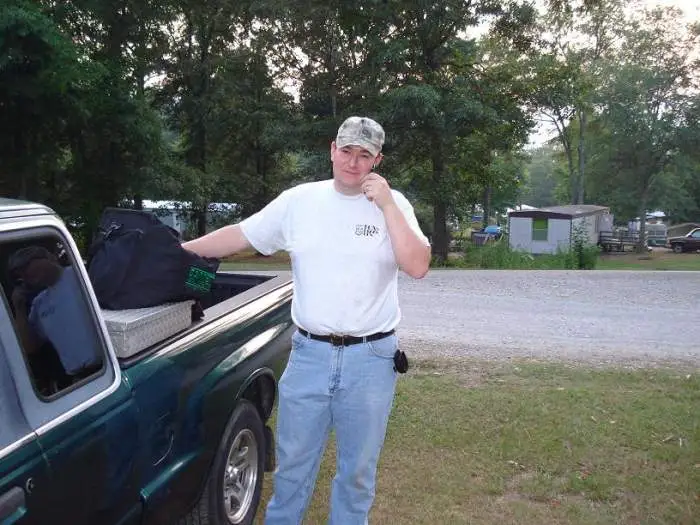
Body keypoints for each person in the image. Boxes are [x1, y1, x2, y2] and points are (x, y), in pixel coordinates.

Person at [182, 116, 431, 524]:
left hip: (370, 360)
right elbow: (242, 236)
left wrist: (386, 204)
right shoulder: (299, 201)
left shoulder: (394, 204)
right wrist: (179, 250)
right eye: (346, 151)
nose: (353, 162)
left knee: (357, 476)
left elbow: (418, 265)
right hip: (309, 354)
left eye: (364, 154)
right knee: (293, 472)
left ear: (377, 160)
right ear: (332, 150)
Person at [8, 246, 103, 385]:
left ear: (47, 257)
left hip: (108, 365)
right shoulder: (39, 303)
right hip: (79, 379)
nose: (24, 274)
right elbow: (30, 347)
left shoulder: (80, 274)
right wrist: (19, 308)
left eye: (26, 265)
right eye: (19, 274)